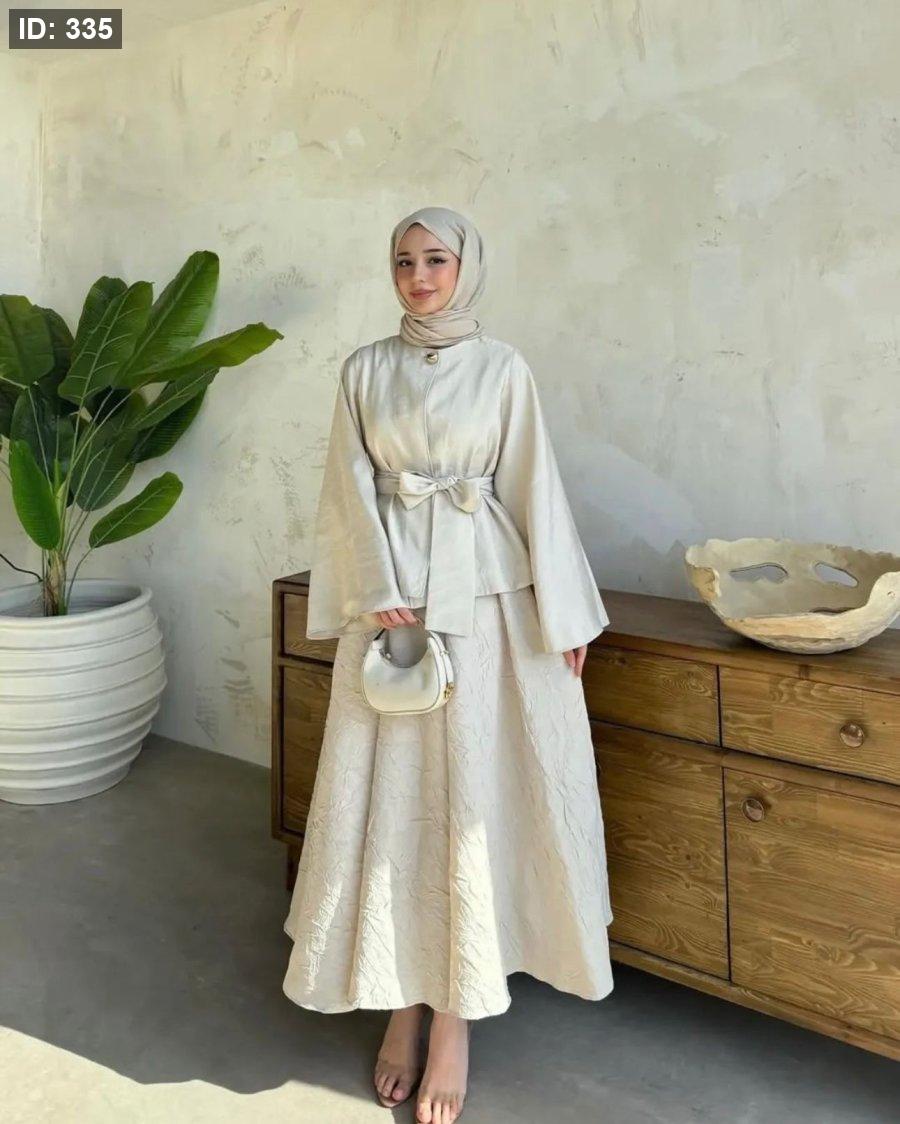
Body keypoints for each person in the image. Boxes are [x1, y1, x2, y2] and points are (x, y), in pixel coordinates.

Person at [282, 205, 614, 1123]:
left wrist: (566, 611)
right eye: (404, 261)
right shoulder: (364, 369)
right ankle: (401, 1001)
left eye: (436, 259)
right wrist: (373, 582)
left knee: (473, 800)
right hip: (395, 601)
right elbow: (346, 483)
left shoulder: (504, 368)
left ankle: (457, 1016)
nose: (419, 276)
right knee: (396, 799)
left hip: (488, 602)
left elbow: (534, 484)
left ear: (466, 267)